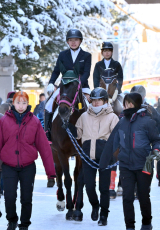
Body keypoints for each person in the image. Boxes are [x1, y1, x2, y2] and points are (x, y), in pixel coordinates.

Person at [103, 92, 160, 230]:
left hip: (144, 165)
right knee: (127, 198)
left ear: (132, 104)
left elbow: (157, 141)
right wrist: (102, 162)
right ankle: (130, 226)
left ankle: (146, 223)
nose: (124, 106)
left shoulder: (147, 121)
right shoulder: (122, 122)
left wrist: (153, 157)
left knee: (143, 197)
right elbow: (112, 143)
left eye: (127, 103)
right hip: (125, 166)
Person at [0, 91, 56, 230]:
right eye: (18, 103)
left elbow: (44, 147)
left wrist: (51, 172)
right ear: (13, 103)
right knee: (10, 197)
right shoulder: (3, 121)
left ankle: (24, 224)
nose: (21, 106)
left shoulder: (34, 122)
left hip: (28, 167)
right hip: (8, 165)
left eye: (24, 103)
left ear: (27, 104)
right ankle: (12, 220)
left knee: (26, 198)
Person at [68, 87, 119, 226]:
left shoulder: (112, 117)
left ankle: (103, 215)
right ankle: (95, 205)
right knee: (89, 185)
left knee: (104, 188)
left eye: (99, 101)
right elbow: (78, 134)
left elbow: (117, 137)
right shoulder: (84, 116)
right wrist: (69, 126)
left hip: (105, 158)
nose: (96, 104)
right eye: (94, 101)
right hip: (87, 157)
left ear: (105, 101)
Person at [45, 28, 92, 141]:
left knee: (92, 107)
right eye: (71, 40)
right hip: (65, 86)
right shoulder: (62, 55)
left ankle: (92, 133)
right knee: (48, 104)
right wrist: (51, 82)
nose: (73, 42)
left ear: (80, 41)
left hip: (82, 85)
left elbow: (86, 72)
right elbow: (56, 70)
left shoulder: (86, 55)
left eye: (76, 40)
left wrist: (79, 82)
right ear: (67, 41)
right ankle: (47, 131)